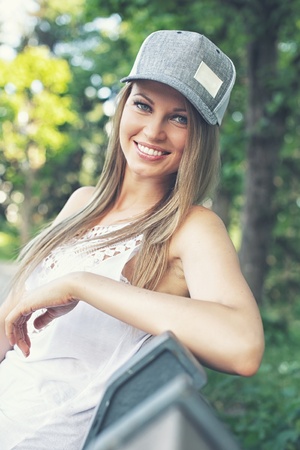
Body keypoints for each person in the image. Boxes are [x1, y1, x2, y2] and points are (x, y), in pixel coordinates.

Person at [0, 30, 264, 449]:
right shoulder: (81, 202)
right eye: (143, 105)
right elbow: (9, 323)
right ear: (124, 107)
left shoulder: (192, 227)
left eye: (179, 118)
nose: (154, 131)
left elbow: (243, 347)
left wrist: (82, 284)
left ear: (200, 136)